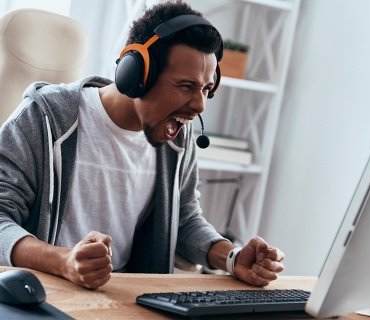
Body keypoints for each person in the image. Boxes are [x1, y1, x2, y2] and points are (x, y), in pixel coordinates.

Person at [0, 0, 284, 289]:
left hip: (126, 300)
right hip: (43, 294)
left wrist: (233, 257)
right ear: (136, 74)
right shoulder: (44, 117)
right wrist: (63, 261)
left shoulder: (178, 139)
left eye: (206, 89)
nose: (199, 105)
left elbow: (184, 220)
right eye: (186, 86)